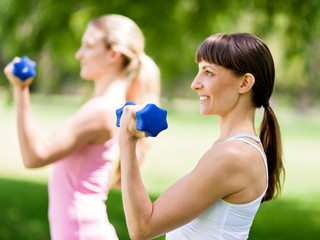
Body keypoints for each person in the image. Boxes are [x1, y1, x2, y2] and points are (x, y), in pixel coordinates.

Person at [4, 14, 160, 240]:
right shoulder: (111, 107)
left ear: (113, 54)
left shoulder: (100, 110)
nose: (79, 54)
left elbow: (34, 157)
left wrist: (21, 90)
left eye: (88, 46)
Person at [118, 33, 285, 240]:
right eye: (199, 71)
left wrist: (127, 142)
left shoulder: (234, 155)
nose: (195, 84)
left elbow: (143, 227)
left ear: (244, 83)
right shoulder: (231, 149)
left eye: (208, 72)